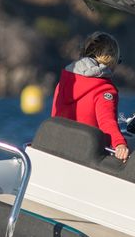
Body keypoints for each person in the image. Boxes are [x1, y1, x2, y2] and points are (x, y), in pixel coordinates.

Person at [51, 31, 130, 160]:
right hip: (85, 155)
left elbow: (55, 117)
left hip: (56, 149)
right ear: (110, 58)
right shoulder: (105, 90)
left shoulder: (64, 83)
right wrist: (120, 144)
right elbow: (107, 123)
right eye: (118, 60)